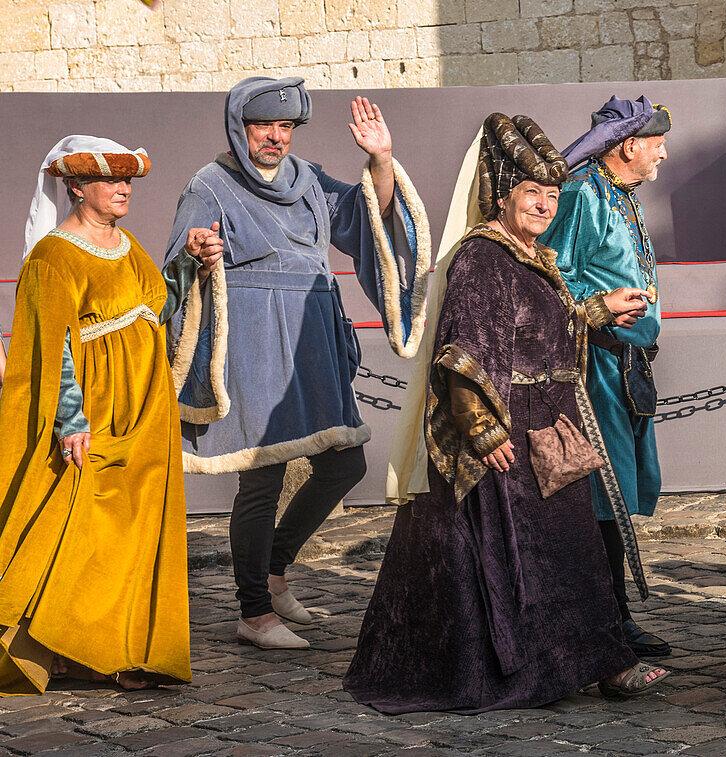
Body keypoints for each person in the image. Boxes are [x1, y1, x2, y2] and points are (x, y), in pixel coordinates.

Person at [344, 113, 668, 713]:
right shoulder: (480, 257)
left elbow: (544, 329)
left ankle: (600, 663)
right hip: (506, 441)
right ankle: (524, 668)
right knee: (509, 562)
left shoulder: (532, 254)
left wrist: (596, 310)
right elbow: (464, 352)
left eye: (551, 195)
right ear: (502, 194)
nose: (545, 205)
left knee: (571, 557)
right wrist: (483, 429)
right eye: (532, 194)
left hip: (550, 429)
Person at [165, 77, 430, 650]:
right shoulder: (210, 186)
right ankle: (253, 611)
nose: (277, 137)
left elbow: (367, 218)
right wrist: (195, 252)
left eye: (286, 127)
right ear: (241, 126)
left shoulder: (306, 178)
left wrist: (381, 159)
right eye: (266, 125)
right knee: (261, 479)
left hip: (312, 343)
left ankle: (274, 568)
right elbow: (175, 263)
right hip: (255, 346)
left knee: (345, 465)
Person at [0, 136, 220, 695]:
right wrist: (70, 419)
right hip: (94, 413)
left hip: (146, 412)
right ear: (77, 187)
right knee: (83, 529)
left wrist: (188, 264)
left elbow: (155, 306)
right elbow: (54, 348)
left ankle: (121, 649)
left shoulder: (126, 244)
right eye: (111, 180)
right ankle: (65, 647)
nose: (124, 188)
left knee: (135, 530)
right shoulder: (53, 256)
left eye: (129, 179)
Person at [539, 95, 671, 658]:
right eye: (658, 144)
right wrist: (601, 305)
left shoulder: (621, 196)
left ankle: (609, 617)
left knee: (614, 494)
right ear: (630, 146)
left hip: (625, 365)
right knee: (599, 495)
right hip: (592, 366)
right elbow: (548, 275)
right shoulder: (581, 196)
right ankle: (605, 621)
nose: (664, 154)